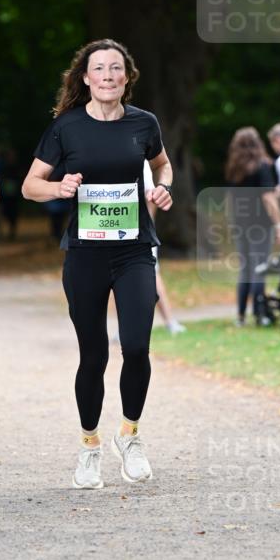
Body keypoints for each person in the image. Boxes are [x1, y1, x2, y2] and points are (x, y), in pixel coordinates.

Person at [22, 39, 174, 490]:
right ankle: (89, 444)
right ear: (85, 78)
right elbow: (31, 185)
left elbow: (163, 166)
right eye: (99, 69)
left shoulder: (143, 124)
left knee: (138, 347)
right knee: (94, 354)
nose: (108, 76)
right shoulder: (66, 128)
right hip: (85, 255)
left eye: (115, 69)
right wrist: (59, 188)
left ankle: (129, 435)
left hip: (133, 251)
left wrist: (163, 189)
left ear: (126, 77)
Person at [225, 126, 280, 326]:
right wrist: (279, 224)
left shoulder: (234, 169)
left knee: (246, 269)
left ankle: (241, 316)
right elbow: (267, 198)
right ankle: (260, 315)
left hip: (241, 224)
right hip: (261, 225)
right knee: (259, 268)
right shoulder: (263, 166)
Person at [143, 160, 186, 335]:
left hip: (140, 231)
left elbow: (150, 197)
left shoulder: (142, 160)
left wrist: (148, 226)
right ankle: (121, 327)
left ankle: (169, 321)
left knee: (153, 276)